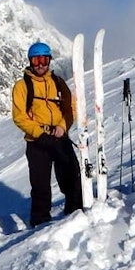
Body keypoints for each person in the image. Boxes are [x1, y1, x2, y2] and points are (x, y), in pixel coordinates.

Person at [12, 42, 84, 226]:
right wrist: (39, 134)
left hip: (59, 137)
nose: (40, 64)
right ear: (30, 61)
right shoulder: (22, 86)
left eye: (44, 59)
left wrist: (62, 127)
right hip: (37, 142)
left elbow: (70, 109)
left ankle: (75, 214)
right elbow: (19, 117)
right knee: (40, 185)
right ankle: (40, 223)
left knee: (72, 177)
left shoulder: (58, 82)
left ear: (50, 60)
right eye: (36, 60)